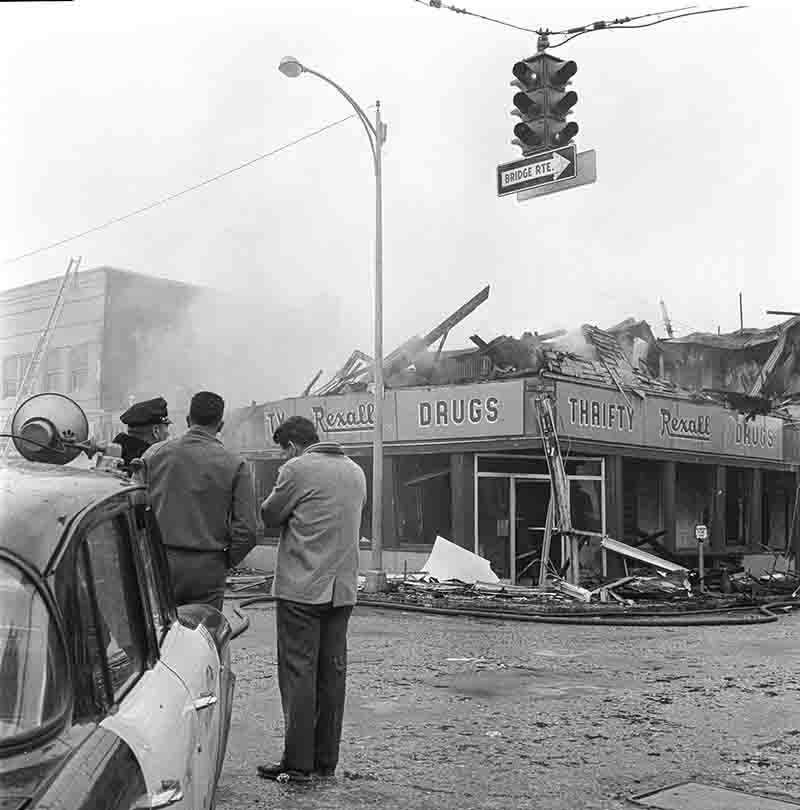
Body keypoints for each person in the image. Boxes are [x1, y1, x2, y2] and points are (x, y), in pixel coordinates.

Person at [257, 416, 366, 785]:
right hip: (342, 590)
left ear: (291, 445)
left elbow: (270, 515)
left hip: (302, 589)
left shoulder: (296, 468)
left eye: (281, 451)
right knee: (331, 677)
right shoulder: (355, 471)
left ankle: (297, 764)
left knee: (299, 674)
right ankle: (324, 762)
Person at [138, 391, 256, 610]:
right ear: (220, 425)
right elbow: (248, 530)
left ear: (187, 420)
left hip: (160, 560)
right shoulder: (236, 464)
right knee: (204, 636)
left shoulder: (153, 455)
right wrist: (223, 562)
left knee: (160, 635)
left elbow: (134, 510)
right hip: (208, 567)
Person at [112, 396, 171, 472]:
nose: (168, 434)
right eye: (166, 427)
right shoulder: (155, 462)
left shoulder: (114, 454)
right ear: (156, 431)